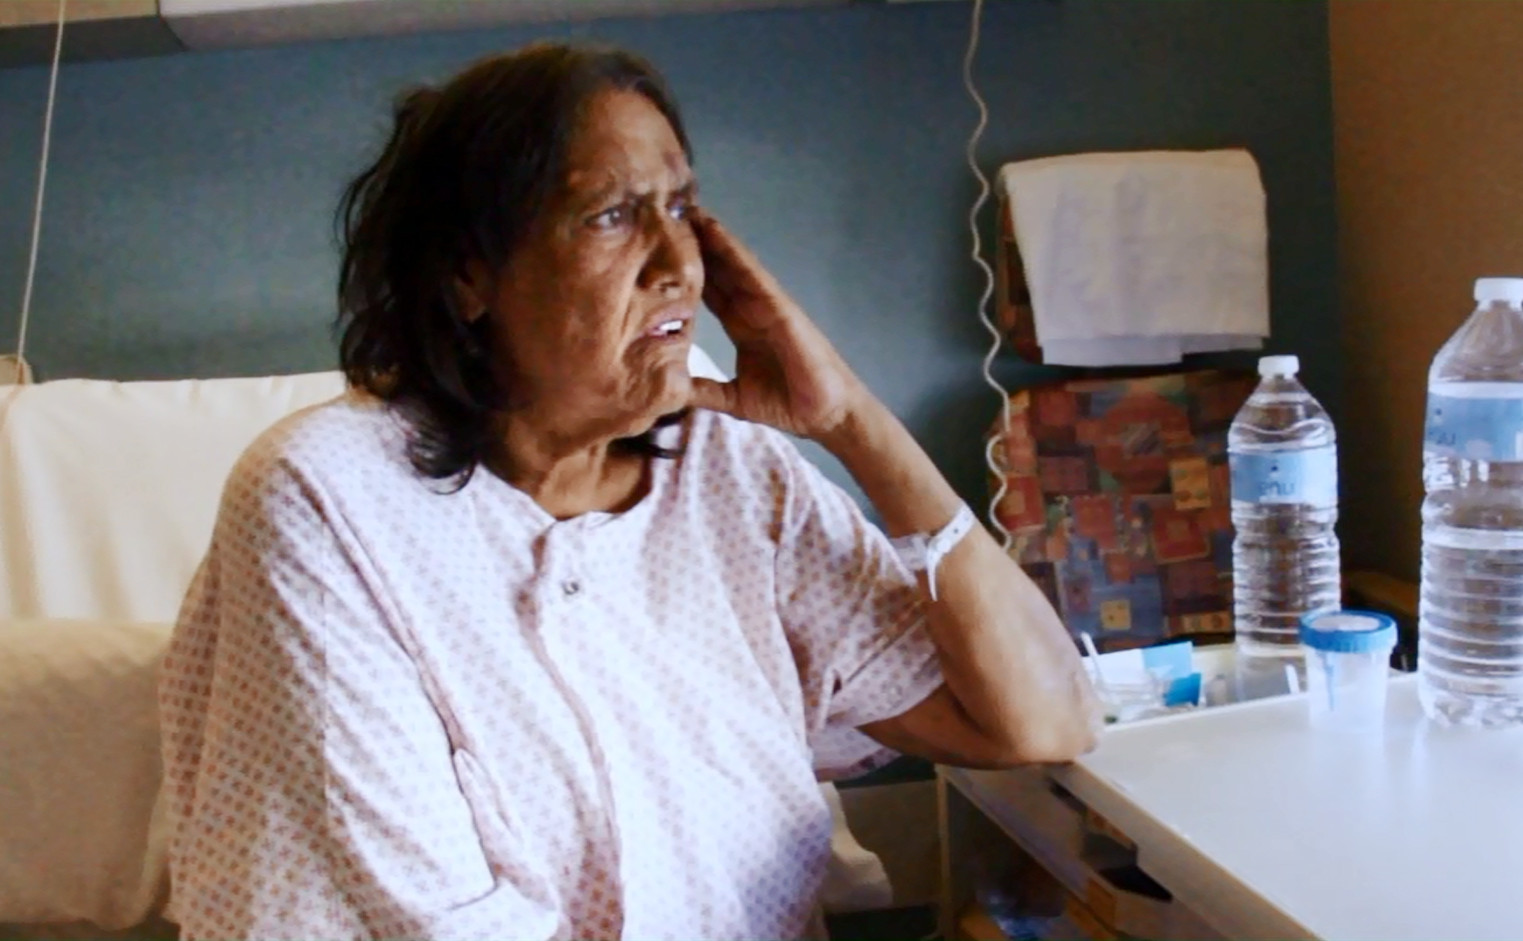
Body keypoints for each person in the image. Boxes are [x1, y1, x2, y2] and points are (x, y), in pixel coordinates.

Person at [158, 41, 1099, 941]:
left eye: (681, 207)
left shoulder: (728, 470)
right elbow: (440, 920)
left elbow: (1041, 719)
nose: (677, 263)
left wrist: (850, 420)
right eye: (611, 215)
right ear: (467, 273)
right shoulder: (325, 498)